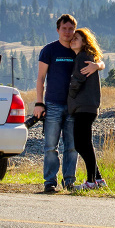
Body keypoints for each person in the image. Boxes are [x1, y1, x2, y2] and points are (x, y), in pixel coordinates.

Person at [33, 14, 103, 193]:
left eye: (71, 29)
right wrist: (39, 103)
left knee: (72, 146)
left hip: (75, 107)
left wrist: (98, 65)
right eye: (64, 28)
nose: (68, 32)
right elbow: (41, 78)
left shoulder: (76, 49)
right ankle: (50, 182)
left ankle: (69, 181)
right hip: (53, 104)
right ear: (58, 29)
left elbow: (96, 58)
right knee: (50, 146)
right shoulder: (49, 50)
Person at [68, 27, 106, 190]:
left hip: (83, 106)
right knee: (84, 143)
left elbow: (77, 81)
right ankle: (98, 179)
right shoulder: (87, 57)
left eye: (77, 38)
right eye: (72, 38)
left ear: (84, 42)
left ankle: (91, 182)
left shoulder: (82, 57)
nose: (73, 40)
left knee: (82, 144)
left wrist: (67, 94)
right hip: (88, 106)